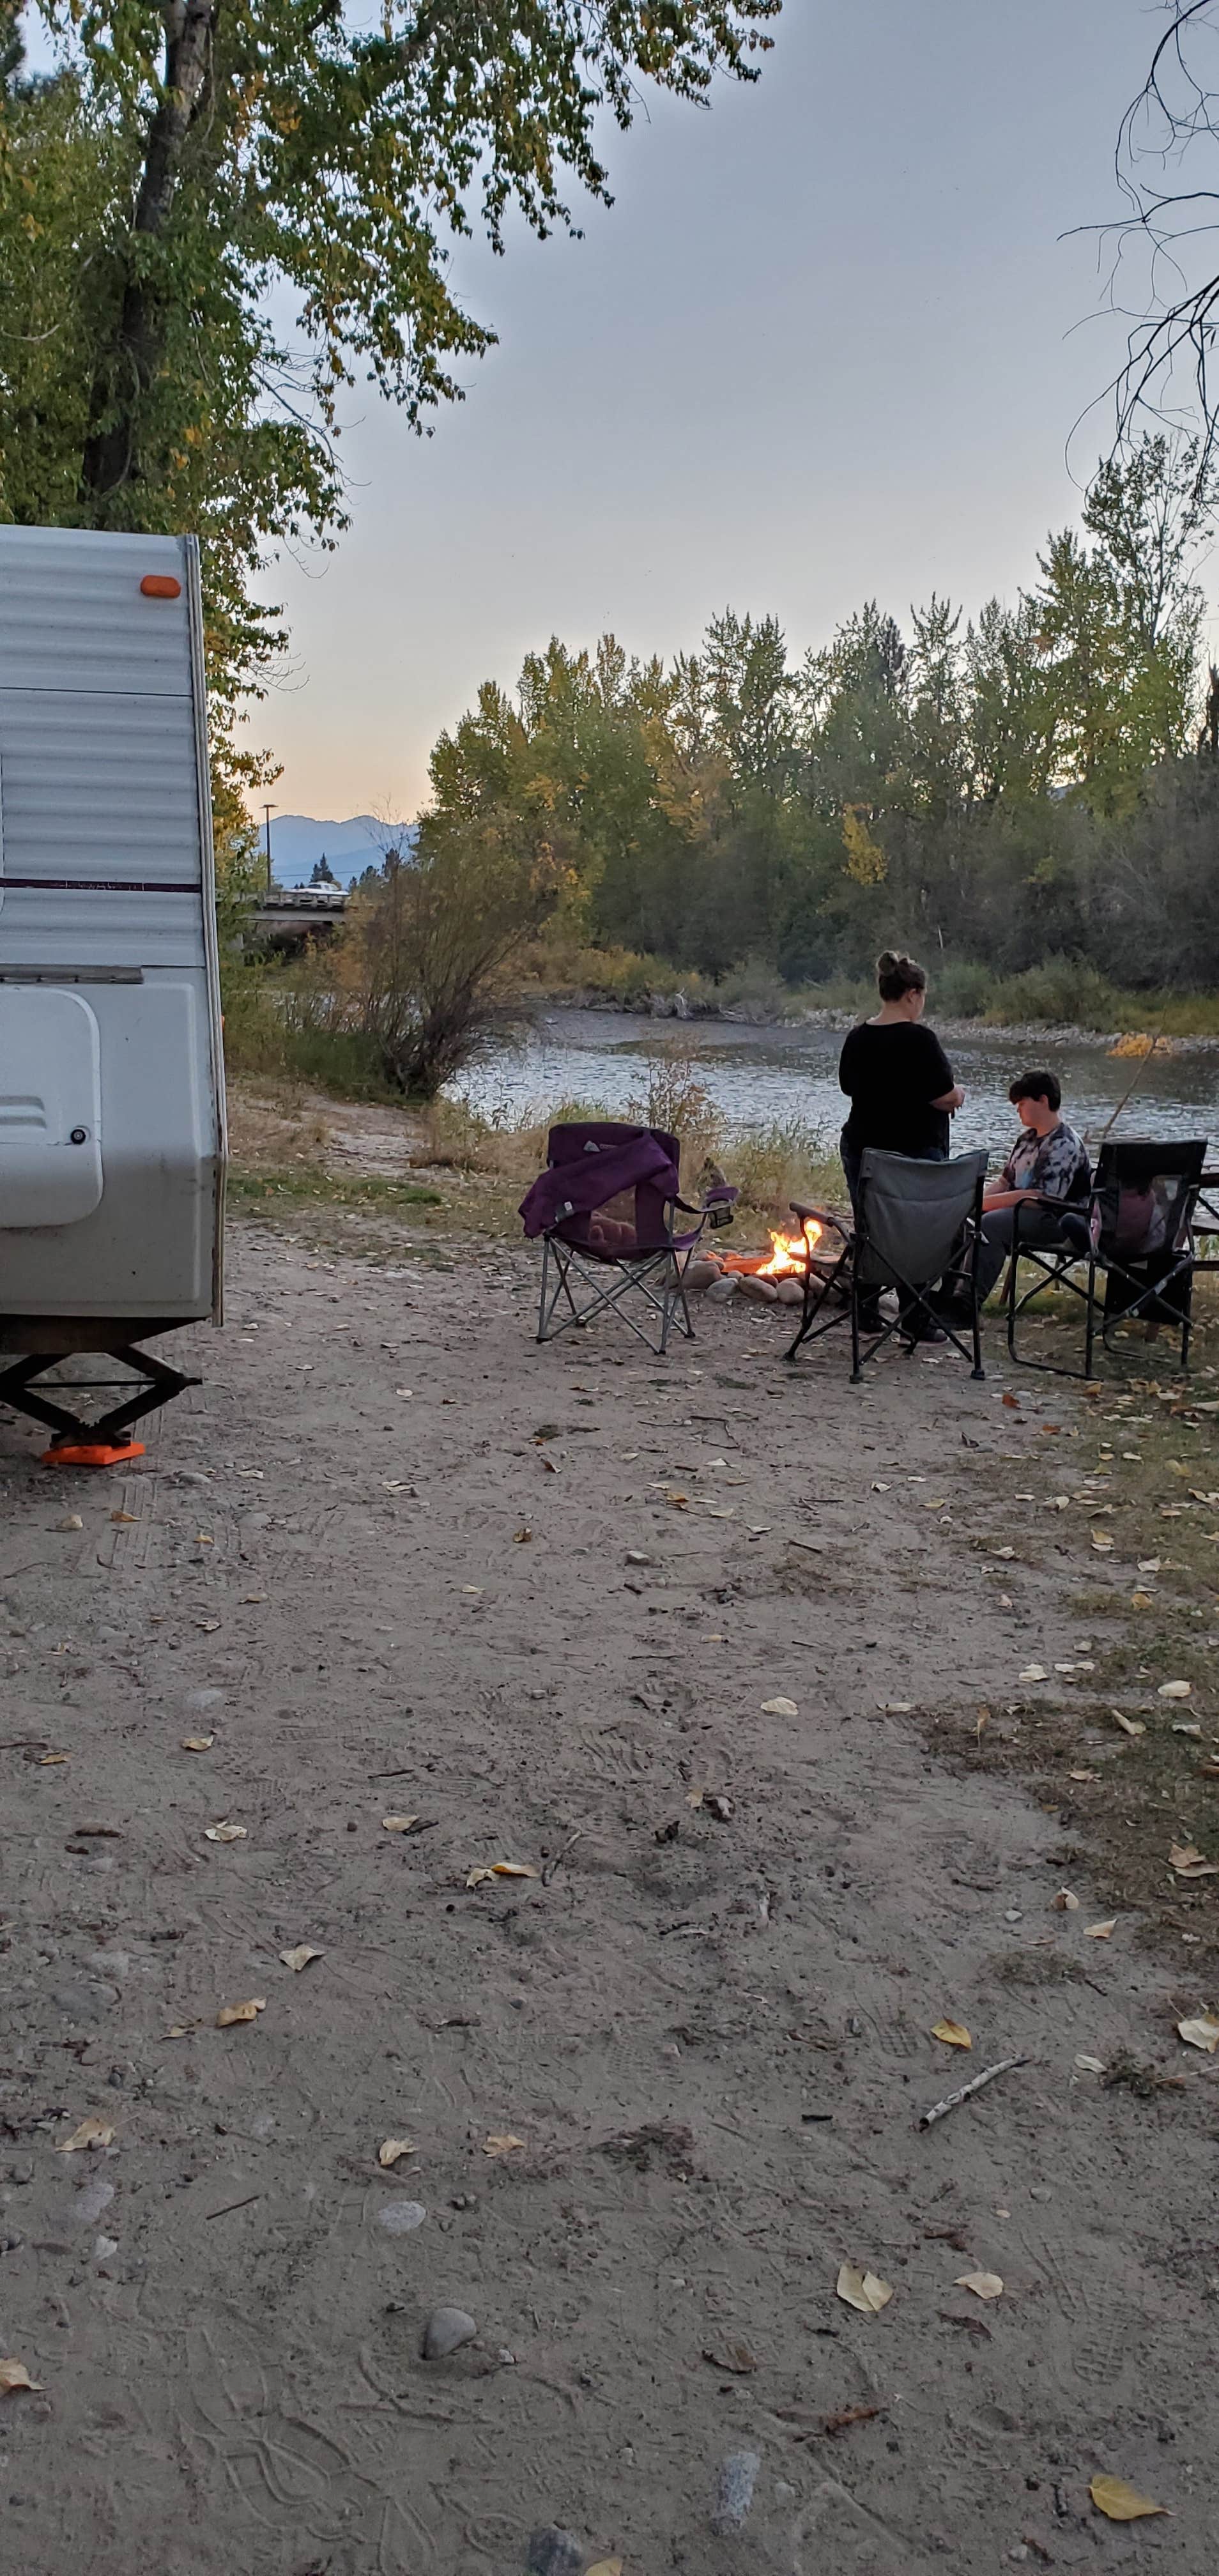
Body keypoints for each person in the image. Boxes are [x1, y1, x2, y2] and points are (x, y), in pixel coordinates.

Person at [838, 950, 965, 1338]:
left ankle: (866, 1311)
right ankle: (917, 1316)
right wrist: (957, 1095)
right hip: (917, 1151)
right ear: (912, 994)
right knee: (920, 1232)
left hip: (864, 1150)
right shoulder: (920, 1040)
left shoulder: (859, 1037)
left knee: (870, 1226)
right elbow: (943, 1093)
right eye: (923, 996)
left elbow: (848, 1086)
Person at [947, 1068, 1089, 1312]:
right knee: (962, 1217)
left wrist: (985, 1205)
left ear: (1043, 1100)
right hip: (1025, 1210)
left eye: (1022, 1103)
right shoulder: (1027, 1139)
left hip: (1058, 1219)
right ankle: (946, 1293)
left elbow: (1041, 1197)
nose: (1018, 1109)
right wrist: (971, 1201)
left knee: (992, 1224)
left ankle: (966, 1305)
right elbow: (1005, 1182)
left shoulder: (1064, 1143)